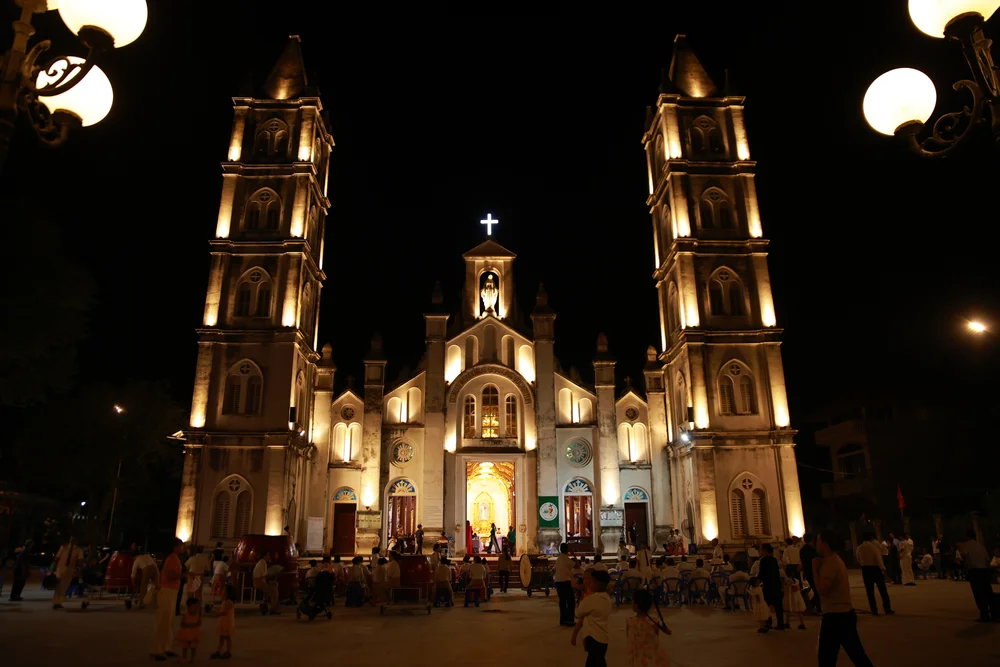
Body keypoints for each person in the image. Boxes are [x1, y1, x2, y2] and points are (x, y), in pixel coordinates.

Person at [814, 529, 874, 667]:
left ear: (825, 543)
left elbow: (822, 589)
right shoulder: (834, 559)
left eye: (818, 541)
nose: (816, 544)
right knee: (855, 655)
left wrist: (814, 570)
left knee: (827, 658)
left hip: (836, 616)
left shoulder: (830, 562)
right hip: (842, 614)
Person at [571, 569, 612, 667]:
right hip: (603, 636)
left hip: (593, 637)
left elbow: (577, 613)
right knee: (598, 660)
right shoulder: (607, 597)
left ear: (595, 583)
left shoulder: (592, 599)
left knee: (593, 661)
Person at [152, 537, 184, 661]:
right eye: (181, 546)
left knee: (169, 621)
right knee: (164, 621)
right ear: (175, 547)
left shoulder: (174, 558)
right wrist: (184, 575)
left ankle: (166, 647)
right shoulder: (171, 559)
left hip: (172, 591)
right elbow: (170, 575)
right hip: (167, 591)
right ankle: (158, 650)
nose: (182, 548)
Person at [626, 589, 671, 666]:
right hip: (652, 658)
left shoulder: (630, 622)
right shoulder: (654, 621)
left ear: (636, 605)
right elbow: (655, 640)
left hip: (638, 658)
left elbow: (630, 639)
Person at [957, 529, 992, 622]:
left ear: (967, 536)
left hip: (975, 570)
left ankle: (984, 614)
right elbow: (987, 559)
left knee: (978, 593)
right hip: (984, 570)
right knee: (987, 592)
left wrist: (965, 568)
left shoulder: (966, 545)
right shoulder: (980, 545)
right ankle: (993, 612)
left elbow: (965, 557)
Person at [855, 532, 892, 616]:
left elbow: (858, 559)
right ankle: (887, 608)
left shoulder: (859, 548)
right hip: (875, 568)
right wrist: (883, 570)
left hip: (865, 569)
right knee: (882, 590)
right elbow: (878, 559)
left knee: (869, 591)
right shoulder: (873, 547)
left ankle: (874, 609)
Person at [52, 536, 84, 609]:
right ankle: (56, 601)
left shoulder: (78, 550)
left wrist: (79, 569)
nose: (72, 541)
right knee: (58, 585)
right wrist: (53, 569)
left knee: (64, 586)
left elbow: (80, 560)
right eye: (71, 539)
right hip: (60, 568)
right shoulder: (63, 547)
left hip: (69, 570)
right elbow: (57, 558)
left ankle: (59, 602)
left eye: (74, 540)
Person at [758, 543, 784, 631]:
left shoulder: (763, 560)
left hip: (768, 585)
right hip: (776, 585)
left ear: (765, 550)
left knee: (766, 605)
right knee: (778, 606)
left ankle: (768, 623)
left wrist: (757, 582)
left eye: (761, 550)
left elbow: (761, 573)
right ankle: (780, 624)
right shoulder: (774, 560)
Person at [211, 584, 236, 660]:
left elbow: (224, 612)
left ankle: (228, 651)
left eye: (224, 590)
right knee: (221, 637)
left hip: (227, 623)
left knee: (227, 638)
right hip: (223, 622)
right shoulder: (225, 601)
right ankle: (219, 650)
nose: (222, 591)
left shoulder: (229, 602)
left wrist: (216, 613)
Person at [555, 542, 576, 627]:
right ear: (567, 550)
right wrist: (573, 554)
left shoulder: (559, 558)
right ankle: (570, 620)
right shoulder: (566, 559)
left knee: (562, 601)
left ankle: (563, 620)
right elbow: (577, 565)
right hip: (565, 581)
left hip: (558, 581)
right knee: (571, 601)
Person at [800, 533, 821, 614]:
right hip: (813, 571)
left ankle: (811, 605)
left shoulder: (802, 550)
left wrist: (804, 573)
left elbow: (802, 562)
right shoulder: (813, 550)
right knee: (817, 590)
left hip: (807, 572)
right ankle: (816, 607)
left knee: (814, 589)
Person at [177, 597, 202, 664]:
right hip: (186, 634)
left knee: (193, 647)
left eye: (196, 607)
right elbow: (182, 624)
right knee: (185, 647)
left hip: (194, 634)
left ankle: (192, 658)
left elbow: (199, 623)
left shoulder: (197, 615)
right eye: (193, 607)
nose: (195, 608)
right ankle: (184, 658)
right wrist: (190, 625)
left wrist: (195, 624)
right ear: (188, 607)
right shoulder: (185, 615)